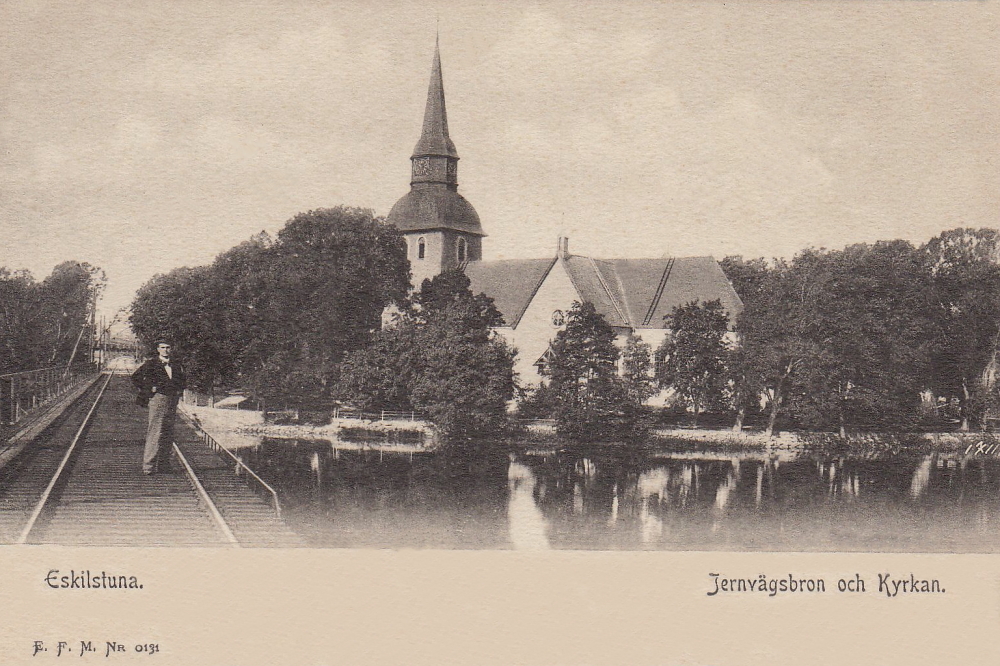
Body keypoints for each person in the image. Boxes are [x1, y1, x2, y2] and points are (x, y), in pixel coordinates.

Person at [131, 340, 186, 475]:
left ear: (171, 349)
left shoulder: (176, 364)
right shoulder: (151, 364)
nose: (165, 350)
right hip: (158, 399)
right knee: (155, 432)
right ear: (158, 349)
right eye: (163, 347)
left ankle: (164, 465)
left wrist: (179, 390)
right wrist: (149, 389)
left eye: (168, 347)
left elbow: (183, 380)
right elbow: (135, 377)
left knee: (168, 432)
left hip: (172, 400)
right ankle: (148, 466)